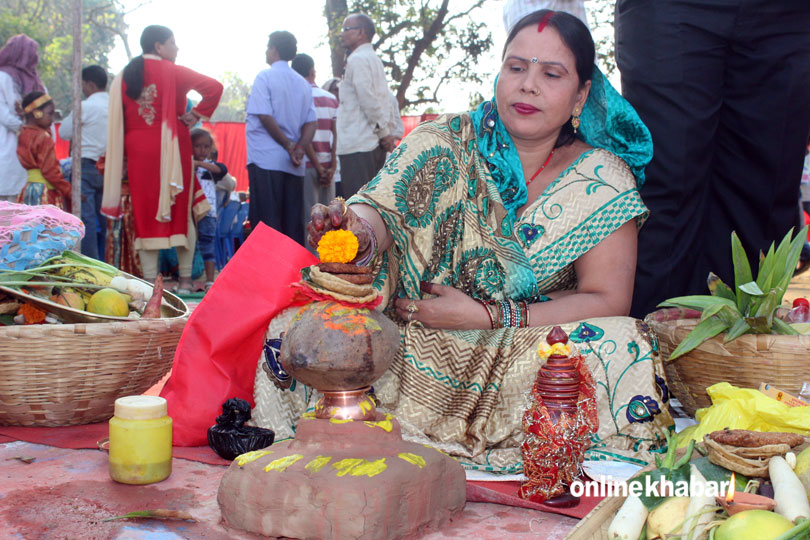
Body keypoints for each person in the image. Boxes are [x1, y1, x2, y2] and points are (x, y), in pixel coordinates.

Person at [162, 11, 672, 471]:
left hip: (521, 349)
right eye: (516, 67)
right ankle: (360, 423)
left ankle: (390, 433)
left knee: (618, 347)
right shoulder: (443, 139)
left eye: (551, 74)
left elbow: (608, 300)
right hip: (413, 337)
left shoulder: (602, 178)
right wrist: (351, 229)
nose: (528, 85)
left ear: (582, 95)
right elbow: (382, 207)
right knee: (293, 329)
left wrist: (488, 316)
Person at [615, 0, 810, 318]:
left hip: (786, 14)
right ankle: (649, 349)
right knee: (667, 182)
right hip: (672, 8)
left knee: (765, 192)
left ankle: (736, 351)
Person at [102, 25, 222, 293]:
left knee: (145, 214)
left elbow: (118, 123)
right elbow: (215, 88)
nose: (176, 49)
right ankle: (185, 281)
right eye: (173, 42)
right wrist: (196, 115)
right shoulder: (175, 72)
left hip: (137, 153)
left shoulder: (123, 76)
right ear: (159, 46)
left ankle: (148, 282)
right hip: (174, 150)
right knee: (182, 213)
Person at [245, 31, 316, 246]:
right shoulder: (303, 83)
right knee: (291, 223)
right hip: (293, 164)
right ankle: (291, 276)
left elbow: (264, 115)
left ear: (274, 50)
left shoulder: (265, 77)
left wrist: (288, 146)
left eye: (268, 47)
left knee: (266, 223)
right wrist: (300, 148)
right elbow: (311, 122)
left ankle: (266, 278)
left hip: (266, 159)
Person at [336, 13, 396, 198]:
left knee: (357, 207)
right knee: (370, 204)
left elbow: (367, 98)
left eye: (346, 29)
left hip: (358, 143)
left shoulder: (358, 59)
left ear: (361, 32)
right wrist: (385, 133)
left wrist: (384, 132)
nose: (341, 34)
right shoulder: (373, 58)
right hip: (372, 142)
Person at [59, 65, 109, 260]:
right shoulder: (116, 107)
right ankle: (103, 263)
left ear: (89, 84)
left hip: (86, 167)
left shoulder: (86, 106)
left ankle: (90, 265)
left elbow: (64, 132)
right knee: (104, 220)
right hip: (109, 169)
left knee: (85, 220)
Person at [290, 53, 338, 248]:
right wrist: (332, 166)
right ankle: (332, 263)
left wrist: (318, 168)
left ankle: (312, 265)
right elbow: (336, 136)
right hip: (329, 167)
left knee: (311, 220)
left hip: (308, 166)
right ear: (313, 71)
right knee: (332, 219)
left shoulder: (298, 97)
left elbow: (304, 134)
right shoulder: (331, 99)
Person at [0, 35, 44, 203]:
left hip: (29, 154)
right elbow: (4, 114)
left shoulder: (36, 82)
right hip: (7, 148)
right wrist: (26, 129)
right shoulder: (2, 78)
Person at [16, 92, 71, 209]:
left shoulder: (23, 134)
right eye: (50, 114)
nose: (52, 119)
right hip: (44, 192)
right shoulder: (43, 138)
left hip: (28, 189)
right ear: (36, 113)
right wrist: (69, 190)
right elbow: (51, 172)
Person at [190, 127, 228, 289]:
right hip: (189, 212)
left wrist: (198, 163)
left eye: (206, 146)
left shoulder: (210, 167)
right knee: (190, 246)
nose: (202, 150)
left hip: (208, 213)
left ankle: (210, 280)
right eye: (198, 146)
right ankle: (190, 279)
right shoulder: (185, 165)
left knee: (207, 244)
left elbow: (221, 170)